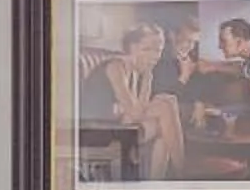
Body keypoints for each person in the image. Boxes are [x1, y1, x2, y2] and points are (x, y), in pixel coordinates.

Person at [79, 22, 188, 179]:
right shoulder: (116, 66)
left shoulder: (137, 71)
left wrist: (147, 77)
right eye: (147, 49)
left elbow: (137, 110)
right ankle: (182, 175)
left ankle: (156, 186)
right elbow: (135, 113)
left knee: (165, 118)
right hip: (97, 130)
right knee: (165, 105)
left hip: (118, 123)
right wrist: (146, 81)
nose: (154, 56)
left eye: (158, 50)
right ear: (131, 48)